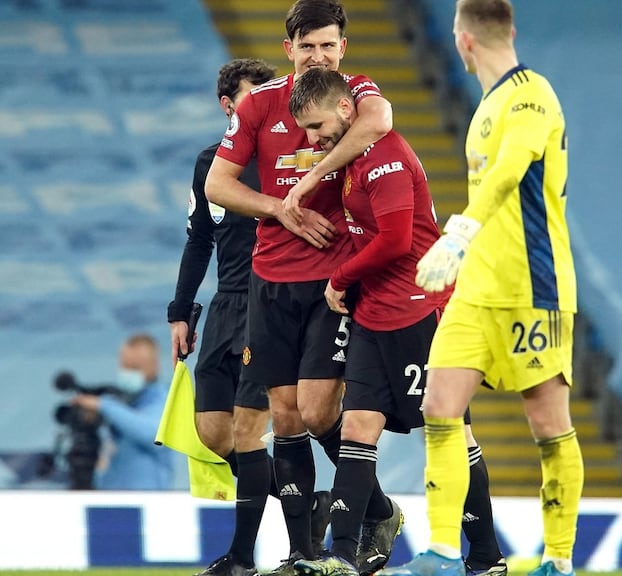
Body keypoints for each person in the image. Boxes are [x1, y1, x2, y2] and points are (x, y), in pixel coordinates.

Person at [379, 2, 582, 576]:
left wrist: (460, 231)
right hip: (474, 292)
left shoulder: (532, 94)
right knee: (440, 409)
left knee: (548, 426)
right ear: (506, 30)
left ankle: (559, 560)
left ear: (462, 41)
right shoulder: (487, 105)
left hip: (532, 288)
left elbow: (512, 167)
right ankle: (443, 553)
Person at [204, 1, 402, 574]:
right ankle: (305, 552)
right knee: (285, 417)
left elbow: (380, 121)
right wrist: (278, 209)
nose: (318, 55)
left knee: (318, 413)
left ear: (343, 49)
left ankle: (374, 509)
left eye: (328, 45)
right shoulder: (262, 103)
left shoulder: (357, 92)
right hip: (271, 280)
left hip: (334, 280)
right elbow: (219, 184)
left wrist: (311, 177)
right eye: (307, 46)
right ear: (288, 49)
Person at [285, 68, 507, 576]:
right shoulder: (354, 154)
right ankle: (341, 555)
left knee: (451, 431)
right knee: (358, 428)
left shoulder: (385, 157)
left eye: (317, 127)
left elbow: (395, 241)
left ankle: (486, 556)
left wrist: (339, 277)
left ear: (345, 110)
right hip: (373, 313)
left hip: (417, 309)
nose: (314, 140)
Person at [167, 57, 329, 576]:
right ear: (227, 105)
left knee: (250, 431)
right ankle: (310, 510)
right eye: (252, 97)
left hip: (269, 299)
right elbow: (198, 240)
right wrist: (181, 312)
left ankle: (253, 556)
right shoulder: (212, 164)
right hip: (224, 306)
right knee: (213, 430)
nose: (265, 107)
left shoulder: (292, 156)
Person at [71, 333, 174, 490]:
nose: (128, 373)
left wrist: (103, 405)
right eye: (125, 366)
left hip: (148, 506)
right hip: (110, 500)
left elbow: (155, 435)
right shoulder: (120, 402)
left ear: (155, 367)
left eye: (135, 368)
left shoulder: (164, 400)